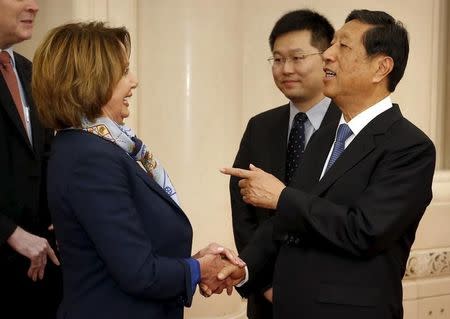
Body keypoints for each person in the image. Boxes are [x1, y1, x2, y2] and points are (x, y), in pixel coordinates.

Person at [220, 9, 436, 319]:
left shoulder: (409, 146)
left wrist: (281, 197)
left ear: (380, 67)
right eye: (331, 44)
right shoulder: (325, 138)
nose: (328, 56)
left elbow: (363, 231)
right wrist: (240, 269)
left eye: (343, 47)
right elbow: (286, 224)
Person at [31, 21, 243, 319]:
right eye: (123, 71)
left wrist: (195, 264)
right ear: (92, 79)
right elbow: (138, 273)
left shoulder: (98, 146)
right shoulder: (90, 157)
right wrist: (197, 269)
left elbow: (128, 252)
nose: (134, 81)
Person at [229, 9, 337, 319]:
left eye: (297, 57)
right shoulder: (260, 127)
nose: (285, 69)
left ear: (327, 57)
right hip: (267, 303)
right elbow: (243, 211)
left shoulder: (349, 130)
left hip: (328, 300)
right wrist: (264, 283)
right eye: (277, 59)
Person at [0, 0, 62, 318]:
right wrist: (9, 232)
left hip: (39, 272)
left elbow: (43, 156)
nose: (34, 6)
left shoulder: (29, 71)